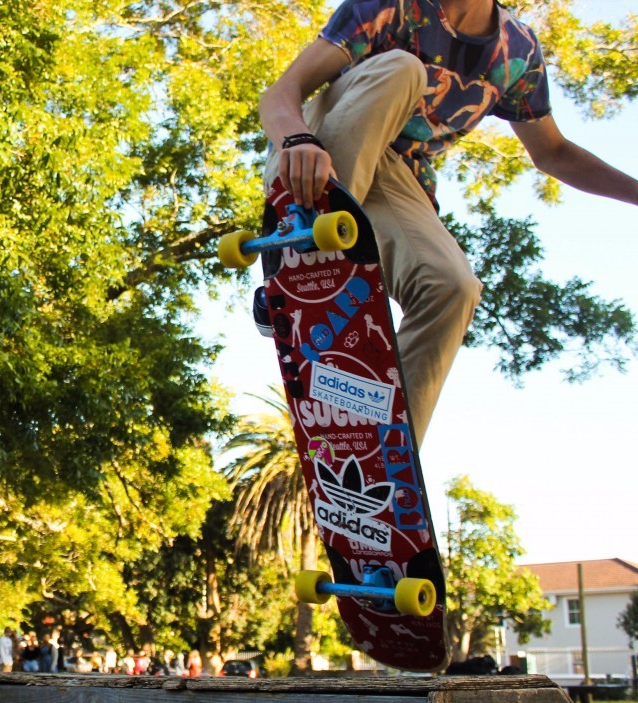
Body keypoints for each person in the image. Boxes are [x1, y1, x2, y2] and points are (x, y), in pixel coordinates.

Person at [258, 0, 638, 446]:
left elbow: (552, 152)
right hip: (319, 154)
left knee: (452, 287)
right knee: (403, 69)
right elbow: (280, 93)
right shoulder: (389, 7)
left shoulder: (518, 50)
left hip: (393, 181)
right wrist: (296, 139)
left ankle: (386, 452)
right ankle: (297, 268)